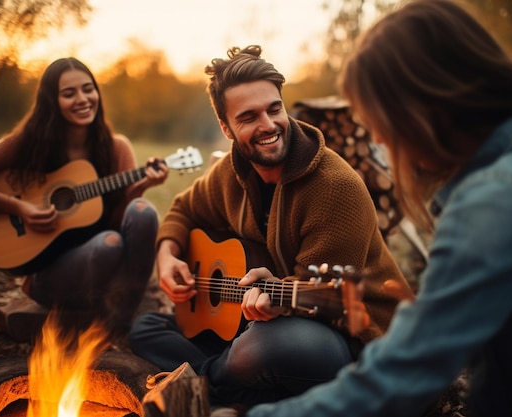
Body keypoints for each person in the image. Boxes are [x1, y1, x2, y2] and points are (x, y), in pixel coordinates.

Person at [244, 1, 512, 416]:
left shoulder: (497, 201)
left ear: (420, 106)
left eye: (378, 120)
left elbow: (405, 372)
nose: (377, 137)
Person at [129, 45, 412, 412]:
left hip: (351, 340)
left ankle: (203, 389)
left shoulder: (335, 187)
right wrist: (167, 255)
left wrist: (279, 298)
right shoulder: (231, 173)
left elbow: (328, 297)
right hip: (251, 322)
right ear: (226, 128)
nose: (268, 125)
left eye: (274, 109)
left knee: (268, 345)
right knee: (146, 327)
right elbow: (183, 209)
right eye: (248, 117)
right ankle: (241, 387)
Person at [0, 57, 169, 340]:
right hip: (53, 277)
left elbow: (122, 221)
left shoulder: (116, 147)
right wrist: (17, 207)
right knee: (109, 244)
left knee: (143, 211)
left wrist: (141, 186)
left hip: (105, 271)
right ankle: (99, 315)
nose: (82, 99)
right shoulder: (28, 143)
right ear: (51, 100)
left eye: (88, 89)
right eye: (68, 93)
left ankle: (124, 317)